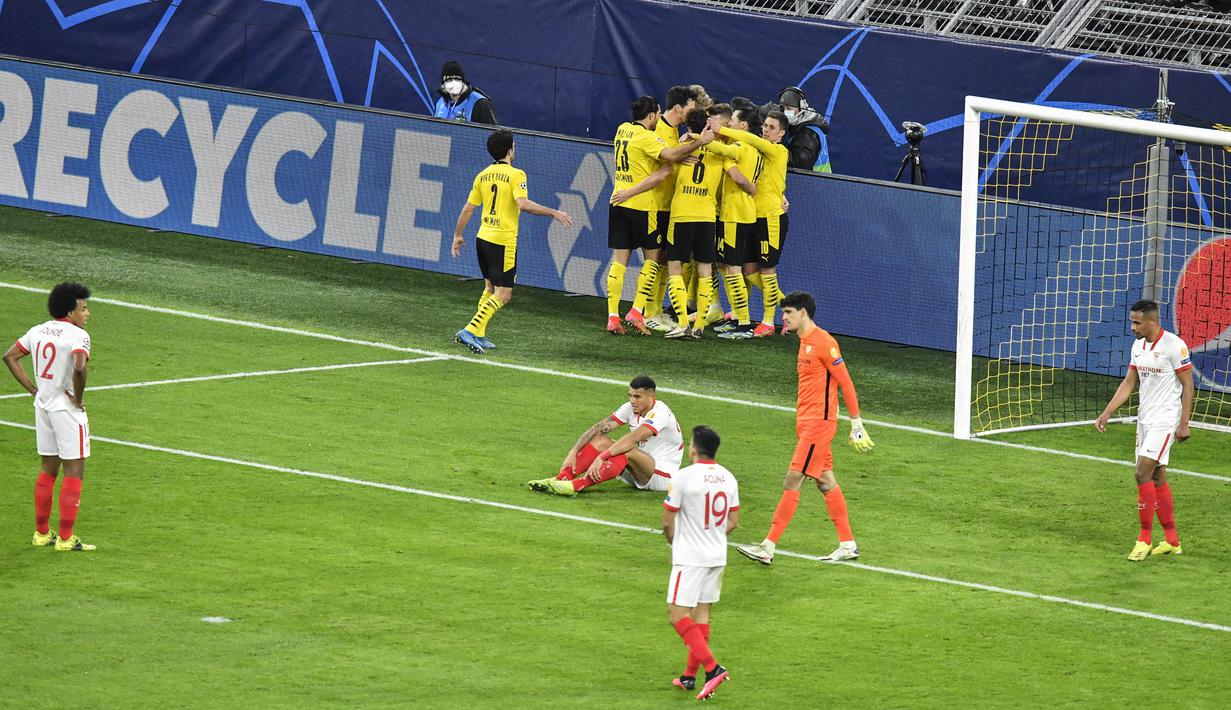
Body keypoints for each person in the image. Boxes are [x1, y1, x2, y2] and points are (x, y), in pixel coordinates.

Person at [736, 292, 874, 564]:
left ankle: (768, 546)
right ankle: (848, 545)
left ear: (803, 313)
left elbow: (845, 382)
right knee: (825, 481)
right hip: (807, 423)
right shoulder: (803, 342)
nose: (783, 318)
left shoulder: (824, 342)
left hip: (818, 426)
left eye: (788, 312)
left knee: (792, 479)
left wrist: (856, 423)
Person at [451, 129, 571, 354]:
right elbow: (523, 204)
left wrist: (458, 235)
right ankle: (470, 330)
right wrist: (554, 212)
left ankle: (479, 332)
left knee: (489, 287)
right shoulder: (517, 175)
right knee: (504, 293)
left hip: (482, 238)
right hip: (503, 241)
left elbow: (468, 208)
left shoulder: (483, 175)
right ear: (509, 150)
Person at [1094, 299, 1193, 561]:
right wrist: (1107, 412)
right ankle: (1172, 541)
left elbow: (1188, 385)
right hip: (1145, 419)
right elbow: (1129, 382)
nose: (1133, 327)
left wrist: (1183, 423)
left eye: (1137, 322)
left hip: (1165, 420)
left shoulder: (1174, 346)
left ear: (1152, 321)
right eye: (1132, 322)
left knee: (1141, 472)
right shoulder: (1138, 347)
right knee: (1158, 476)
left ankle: (1144, 539)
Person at [606, 97, 714, 335]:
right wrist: (696, 144)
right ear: (653, 116)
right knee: (652, 260)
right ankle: (636, 311)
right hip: (643, 206)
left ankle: (612, 316)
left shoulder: (621, 129)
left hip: (617, 201)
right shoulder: (647, 137)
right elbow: (670, 158)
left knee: (618, 262)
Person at [2, 282, 95, 551]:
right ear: (69, 312)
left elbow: (10, 357)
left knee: (48, 470)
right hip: (66, 410)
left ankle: (42, 533)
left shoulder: (37, 330)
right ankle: (66, 538)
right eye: (84, 308)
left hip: (42, 406)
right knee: (74, 470)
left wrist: (34, 389)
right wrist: (77, 399)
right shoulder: (78, 336)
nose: (87, 314)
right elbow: (79, 366)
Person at [662, 425, 737, 700]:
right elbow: (733, 521)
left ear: (694, 448)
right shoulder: (729, 478)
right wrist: (712, 536)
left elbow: (667, 521)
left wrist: (675, 544)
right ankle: (689, 677)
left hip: (690, 557)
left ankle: (713, 668)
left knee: (677, 615)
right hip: (717, 555)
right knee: (701, 615)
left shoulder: (684, 477)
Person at [658, 108, 740, 340]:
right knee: (705, 269)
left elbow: (666, 167)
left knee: (675, 266)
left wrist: (689, 140)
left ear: (687, 127)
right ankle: (700, 326)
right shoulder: (720, 152)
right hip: (706, 216)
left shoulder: (681, 149)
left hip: (682, 214)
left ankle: (682, 322)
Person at [527, 375, 683, 495]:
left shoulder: (660, 412)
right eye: (630, 395)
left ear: (651, 397)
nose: (632, 401)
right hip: (638, 469)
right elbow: (598, 428)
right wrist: (573, 452)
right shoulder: (630, 408)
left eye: (637, 397)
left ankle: (576, 486)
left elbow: (633, 439)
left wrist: (601, 457)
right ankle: (561, 478)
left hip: (662, 475)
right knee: (600, 440)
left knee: (626, 448)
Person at [625, 85, 697, 336]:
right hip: (656, 204)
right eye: (691, 106)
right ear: (678, 108)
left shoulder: (674, 131)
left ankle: (653, 310)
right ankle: (651, 311)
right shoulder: (659, 129)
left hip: (671, 205)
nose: (694, 111)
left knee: (666, 260)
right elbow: (666, 161)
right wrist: (678, 154)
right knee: (654, 259)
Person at [716, 109, 791, 337]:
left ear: (781, 134)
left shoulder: (779, 150)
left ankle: (768, 322)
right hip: (751, 216)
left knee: (767, 268)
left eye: (772, 128)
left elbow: (749, 138)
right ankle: (789, 307)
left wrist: (721, 130)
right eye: (765, 126)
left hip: (770, 218)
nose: (766, 131)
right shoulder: (758, 152)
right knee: (749, 270)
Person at [706, 103, 759, 340]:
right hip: (743, 213)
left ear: (743, 125)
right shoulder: (755, 148)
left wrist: (697, 136)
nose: (730, 124)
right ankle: (737, 317)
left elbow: (728, 162)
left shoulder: (740, 145)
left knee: (733, 268)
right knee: (729, 267)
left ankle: (744, 323)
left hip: (735, 215)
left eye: (734, 121)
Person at [777, 86, 831, 173]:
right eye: (783, 108)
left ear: (801, 107)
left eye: (789, 108)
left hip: (816, 183)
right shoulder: (793, 126)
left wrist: (772, 148)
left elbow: (798, 165)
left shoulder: (809, 133)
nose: (785, 112)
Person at [433, 60, 498, 124]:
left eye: (457, 79)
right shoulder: (440, 103)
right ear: (443, 85)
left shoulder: (481, 103)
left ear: (463, 82)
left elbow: (492, 133)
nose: (453, 84)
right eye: (449, 81)